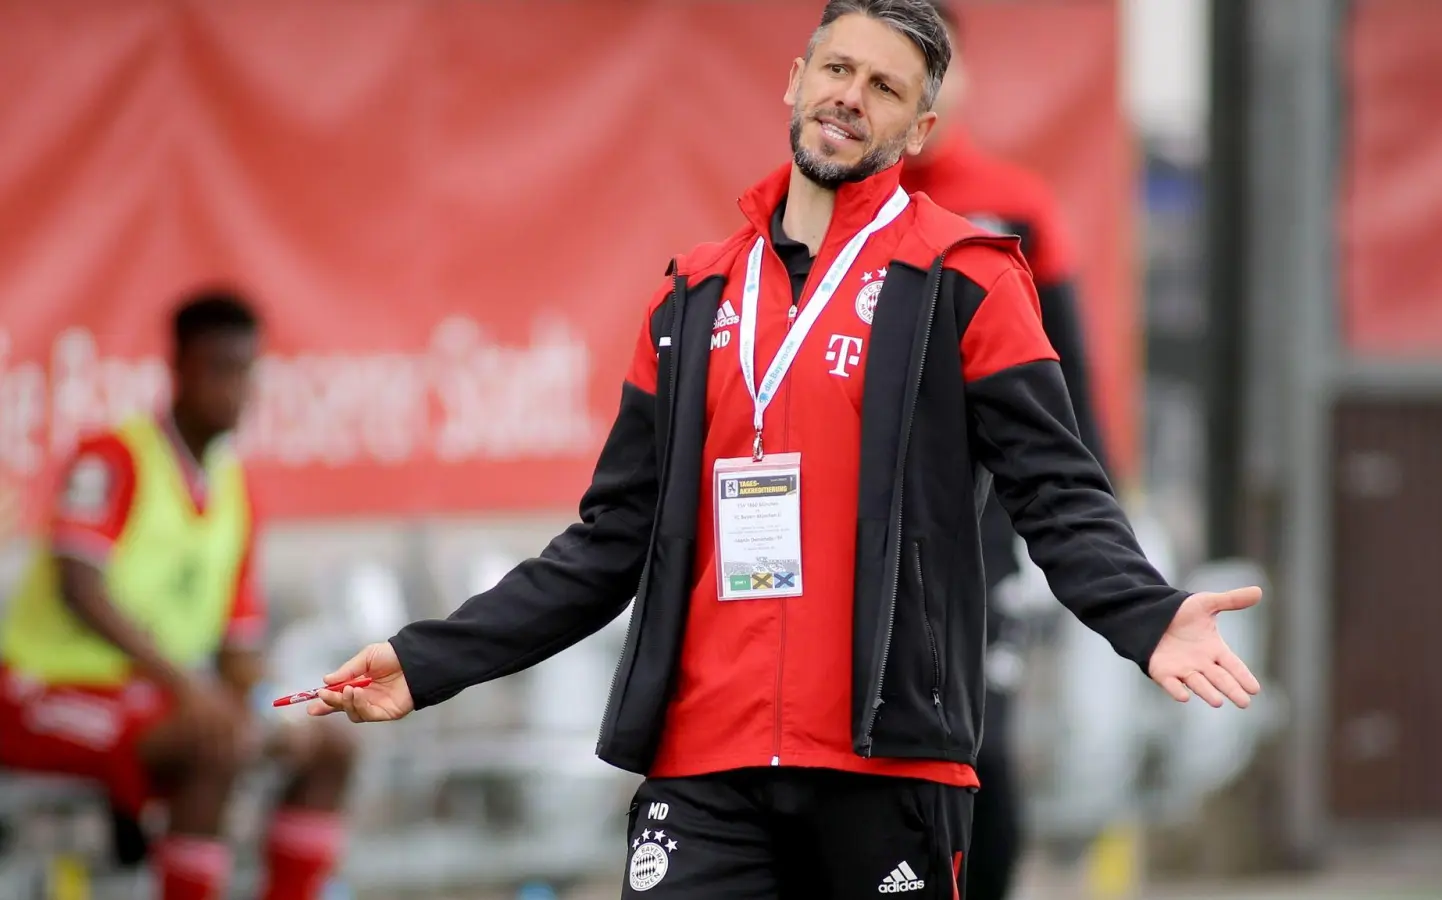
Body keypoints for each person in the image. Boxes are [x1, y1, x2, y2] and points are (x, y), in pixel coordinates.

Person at [310, 3, 1261, 898]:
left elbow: (1059, 492)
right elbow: (605, 545)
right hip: (704, 767)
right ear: (795, 82)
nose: (851, 94)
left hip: (887, 762)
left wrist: (1147, 613)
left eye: (886, 87)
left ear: (920, 129)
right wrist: (427, 662)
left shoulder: (967, 281)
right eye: (837, 68)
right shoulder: (691, 297)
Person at [0, 290, 356, 900]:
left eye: (246, 372)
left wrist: (282, 707)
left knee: (328, 744)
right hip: (41, 692)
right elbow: (77, 586)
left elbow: (238, 651)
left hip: (155, 700)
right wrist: (189, 688)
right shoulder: (114, 457)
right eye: (220, 369)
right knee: (210, 740)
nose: (236, 390)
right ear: (179, 370)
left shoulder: (234, 489)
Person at [899, 4, 1111, 896]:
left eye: (921, 66)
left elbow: (1067, 405)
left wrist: (1098, 540)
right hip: (833, 538)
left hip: (976, 544)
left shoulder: (1014, 208)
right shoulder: (817, 207)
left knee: (978, 760)